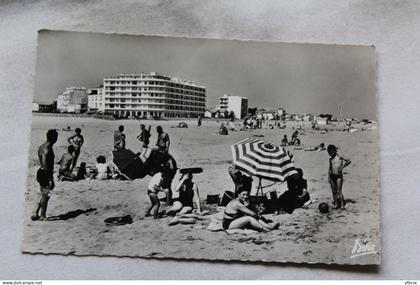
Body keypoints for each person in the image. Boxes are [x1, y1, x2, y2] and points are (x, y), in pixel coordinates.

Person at [31, 129, 58, 221]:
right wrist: (50, 178)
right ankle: (42, 216)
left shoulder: (42, 146)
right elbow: (46, 165)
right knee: (46, 195)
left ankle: (35, 212)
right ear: (54, 138)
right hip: (45, 173)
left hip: (41, 172)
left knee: (42, 193)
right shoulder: (47, 149)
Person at [327, 144, 351, 209]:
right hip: (332, 176)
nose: (330, 153)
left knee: (339, 191)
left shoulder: (339, 156)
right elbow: (330, 168)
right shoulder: (330, 159)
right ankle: (336, 204)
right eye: (329, 152)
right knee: (333, 191)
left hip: (338, 176)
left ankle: (342, 205)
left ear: (335, 151)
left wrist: (342, 167)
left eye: (331, 151)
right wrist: (328, 177)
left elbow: (349, 161)